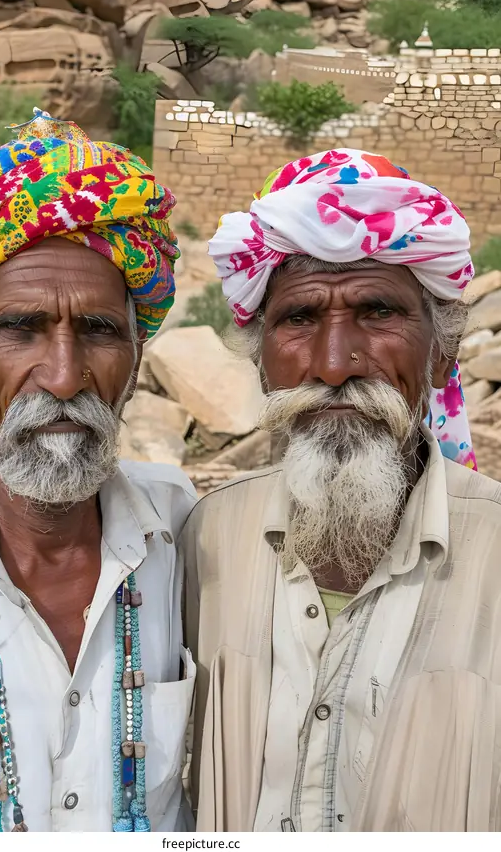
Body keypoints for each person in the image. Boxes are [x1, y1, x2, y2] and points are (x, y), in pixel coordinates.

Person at [181, 148, 501, 832]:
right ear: (260, 356)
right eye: (298, 319)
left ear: (443, 351)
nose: (332, 365)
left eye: (378, 312)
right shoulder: (201, 542)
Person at [0, 109, 197, 832]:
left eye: (98, 331)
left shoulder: (193, 537)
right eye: (19, 328)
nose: (64, 377)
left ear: (134, 362)